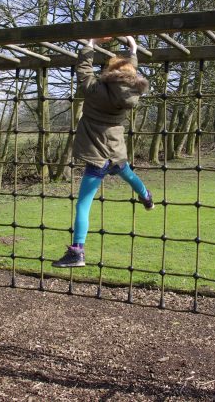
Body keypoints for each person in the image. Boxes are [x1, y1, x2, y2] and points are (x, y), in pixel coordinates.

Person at [52, 35, 154, 268]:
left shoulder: (95, 89)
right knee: (128, 174)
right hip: (116, 153)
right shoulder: (132, 92)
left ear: (108, 72)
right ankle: (146, 196)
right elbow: (128, 73)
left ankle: (77, 251)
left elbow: (84, 69)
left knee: (83, 205)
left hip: (97, 155)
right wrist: (133, 51)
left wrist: (91, 44)